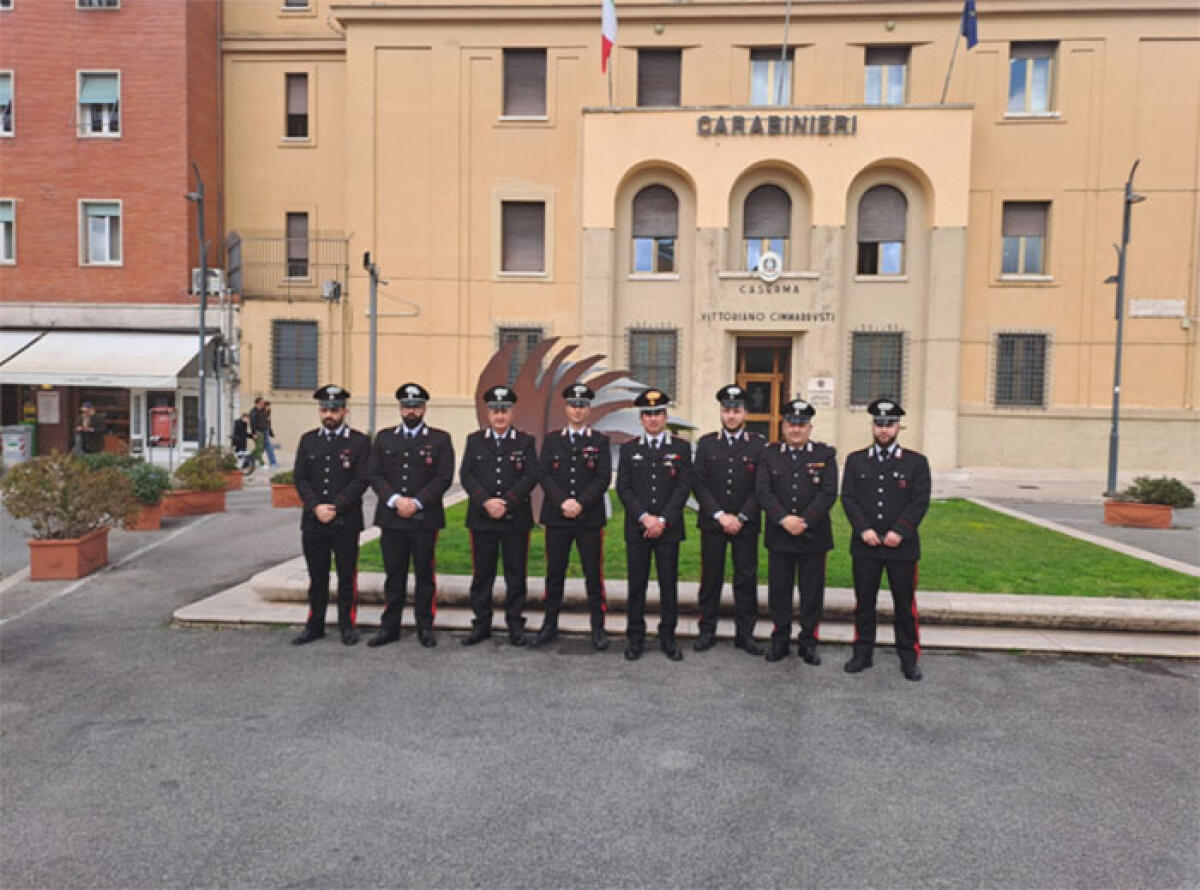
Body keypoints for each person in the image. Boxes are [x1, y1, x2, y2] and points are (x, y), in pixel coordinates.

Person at [840, 398, 931, 681]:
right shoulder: (856, 460)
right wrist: (864, 530)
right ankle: (862, 653)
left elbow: (919, 501)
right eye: (878, 424)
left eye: (889, 424)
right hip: (865, 545)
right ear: (872, 426)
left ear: (898, 427)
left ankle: (908, 657)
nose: (883, 430)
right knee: (864, 603)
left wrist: (899, 531)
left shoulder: (916, 462)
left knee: (904, 605)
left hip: (901, 548)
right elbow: (849, 499)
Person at [367, 383, 455, 649]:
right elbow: (374, 474)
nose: (411, 411)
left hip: (423, 519)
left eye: (416, 406)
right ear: (400, 409)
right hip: (392, 518)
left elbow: (444, 477)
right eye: (407, 406)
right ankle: (389, 627)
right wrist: (395, 500)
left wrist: (416, 503)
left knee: (424, 575)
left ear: (424, 408)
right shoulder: (384, 438)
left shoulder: (439, 439)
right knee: (394, 574)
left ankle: (424, 626)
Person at [755, 399, 838, 664]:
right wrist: (783, 519)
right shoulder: (769, 454)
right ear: (783, 426)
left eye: (802, 425)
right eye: (791, 424)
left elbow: (828, 493)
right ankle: (779, 640)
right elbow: (763, 491)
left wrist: (804, 520)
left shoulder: (825, 455)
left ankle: (809, 642)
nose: (796, 430)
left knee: (811, 592)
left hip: (813, 536)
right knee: (779, 591)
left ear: (810, 428)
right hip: (780, 535)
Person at [533, 382, 612, 651]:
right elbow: (543, 474)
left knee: (593, 574)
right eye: (573, 405)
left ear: (588, 410)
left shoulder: (599, 440)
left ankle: (598, 628)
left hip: (589, 518)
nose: (577, 411)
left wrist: (580, 502)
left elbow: (603, 477)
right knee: (554, 574)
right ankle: (549, 624)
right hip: (557, 517)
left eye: (582, 406)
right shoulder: (553, 439)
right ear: (565, 408)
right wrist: (563, 502)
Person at [290, 385, 372, 646]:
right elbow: (300, 478)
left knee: (347, 576)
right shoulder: (308, 440)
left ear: (345, 411)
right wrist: (316, 506)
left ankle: (347, 625)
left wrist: (335, 506)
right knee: (317, 576)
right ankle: (315, 625)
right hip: (314, 520)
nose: (329, 414)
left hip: (345, 520)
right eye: (325, 409)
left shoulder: (359, 442)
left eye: (335, 410)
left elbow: (362, 479)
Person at [616, 388, 692, 662]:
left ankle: (668, 637)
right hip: (638, 528)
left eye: (658, 413)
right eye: (647, 414)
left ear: (666, 416)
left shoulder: (680, 448)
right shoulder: (629, 448)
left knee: (667, 585)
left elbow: (683, 487)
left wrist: (661, 519)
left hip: (668, 529)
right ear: (641, 418)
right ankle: (635, 638)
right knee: (636, 585)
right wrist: (644, 517)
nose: (653, 419)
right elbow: (623, 488)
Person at [459, 385, 538, 646]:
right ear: (488, 413)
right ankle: (481, 624)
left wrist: (506, 502)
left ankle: (515, 625)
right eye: (495, 411)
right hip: (482, 518)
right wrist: (486, 502)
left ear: (513, 413)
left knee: (515, 574)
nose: (499, 416)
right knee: (483, 574)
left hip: (515, 518)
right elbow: (467, 475)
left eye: (504, 411)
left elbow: (530, 476)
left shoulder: (525, 442)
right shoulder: (474, 440)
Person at [691, 384, 767, 656]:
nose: (731, 415)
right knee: (711, 577)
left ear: (745, 413)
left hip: (745, 524)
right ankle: (707, 630)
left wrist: (742, 516)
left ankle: (745, 634)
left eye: (736, 410)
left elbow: (761, 486)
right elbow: (699, 484)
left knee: (745, 578)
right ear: (721, 413)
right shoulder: (707, 443)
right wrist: (721, 515)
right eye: (726, 410)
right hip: (714, 523)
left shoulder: (759, 445)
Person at [249, 397, 266, 466]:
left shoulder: (261, 411)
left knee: (261, 448)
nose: (263, 404)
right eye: (262, 403)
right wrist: (254, 433)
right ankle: (261, 463)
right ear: (257, 403)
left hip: (262, 431)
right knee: (259, 447)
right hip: (257, 432)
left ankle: (249, 459)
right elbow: (252, 423)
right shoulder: (253, 412)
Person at [261, 401, 279, 469]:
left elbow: (268, 423)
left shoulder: (268, 413)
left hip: (266, 431)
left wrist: (271, 432)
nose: (269, 407)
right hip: (262, 432)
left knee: (263, 448)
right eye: (268, 406)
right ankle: (273, 462)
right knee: (267, 447)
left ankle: (249, 461)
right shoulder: (261, 413)